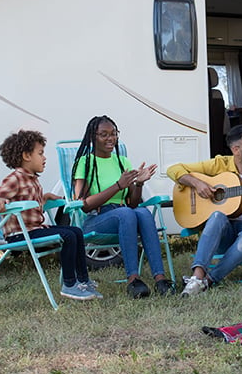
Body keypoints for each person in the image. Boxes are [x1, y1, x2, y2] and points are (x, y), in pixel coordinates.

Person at [167, 123, 242, 297]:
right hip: (224, 233)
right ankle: (197, 276)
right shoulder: (220, 164)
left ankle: (208, 281)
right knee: (217, 215)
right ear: (236, 150)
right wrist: (198, 183)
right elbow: (173, 169)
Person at [0, 130, 101, 301]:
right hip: (20, 234)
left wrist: (45, 197)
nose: (44, 158)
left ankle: (83, 281)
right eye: (40, 153)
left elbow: (29, 201)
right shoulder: (16, 178)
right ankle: (70, 285)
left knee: (75, 231)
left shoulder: (33, 179)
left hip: (35, 229)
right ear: (26, 156)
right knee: (68, 235)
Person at [71, 115, 174, 298]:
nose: (110, 139)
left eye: (114, 134)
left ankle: (160, 279)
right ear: (92, 137)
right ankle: (133, 280)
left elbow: (132, 203)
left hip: (123, 214)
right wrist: (118, 186)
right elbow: (84, 204)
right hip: (97, 219)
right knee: (127, 213)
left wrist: (139, 184)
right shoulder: (85, 163)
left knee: (142, 212)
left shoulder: (122, 161)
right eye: (104, 134)